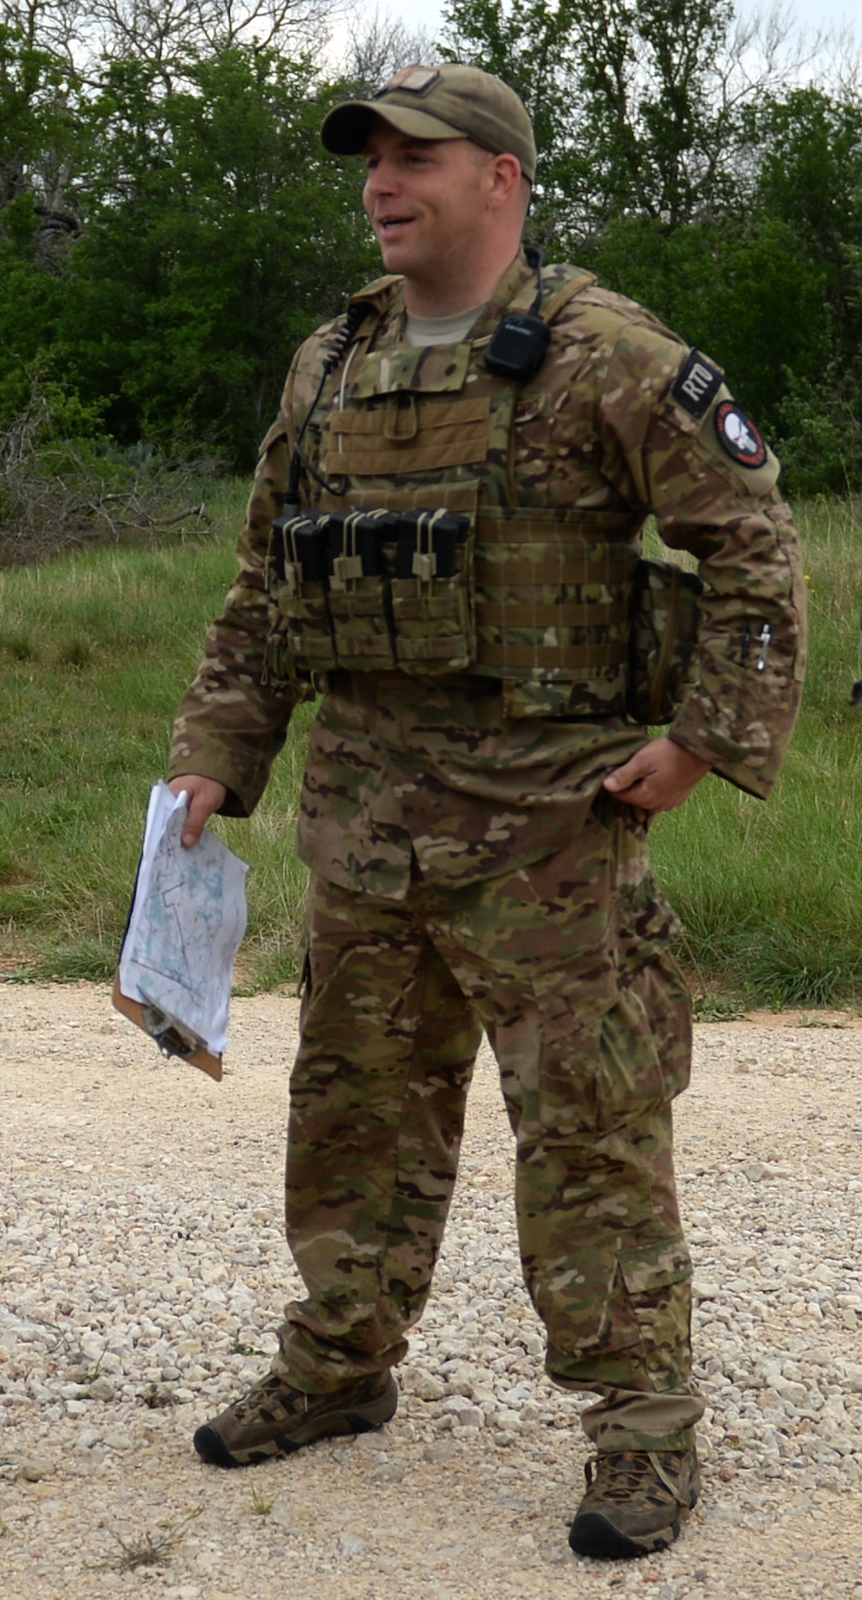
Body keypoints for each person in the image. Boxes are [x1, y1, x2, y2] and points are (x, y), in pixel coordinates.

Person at [165, 63, 803, 1560]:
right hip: (366, 817)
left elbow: (756, 553)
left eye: (417, 159)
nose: (384, 184)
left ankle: (642, 1428)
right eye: (371, 160)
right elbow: (269, 581)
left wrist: (702, 746)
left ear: (502, 178)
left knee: (588, 1133)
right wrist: (216, 754)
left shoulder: (608, 356)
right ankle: (338, 1366)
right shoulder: (329, 365)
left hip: (546, 828)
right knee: (355, 1119)